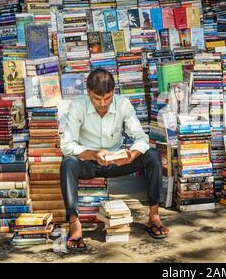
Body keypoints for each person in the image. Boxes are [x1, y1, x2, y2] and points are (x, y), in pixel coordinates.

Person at [60, 69, 169, 252]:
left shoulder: (123, 104)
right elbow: (67, 145)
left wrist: (133, 154)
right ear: (88, 93)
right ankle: (75, 224)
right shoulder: (78, 106)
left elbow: (141, 138)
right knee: (68, 164)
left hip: (117, 163)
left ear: (114, 92)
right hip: (89, 163)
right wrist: (94, 154)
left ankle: (154, 216)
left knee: (152, 155)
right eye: (97, 98)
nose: (103, 104)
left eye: (108, 98)